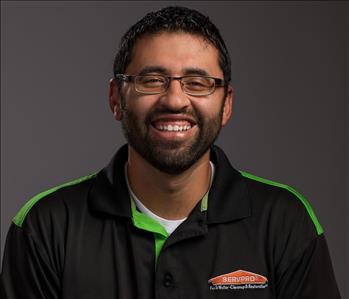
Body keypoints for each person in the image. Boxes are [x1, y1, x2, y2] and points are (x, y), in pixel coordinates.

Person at [1, 6, 341, 299]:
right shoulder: (45, 226)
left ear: (226, 105)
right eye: (151, 80)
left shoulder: (284, 222)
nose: (175, 100)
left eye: (197, 82)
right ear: (116, 99)